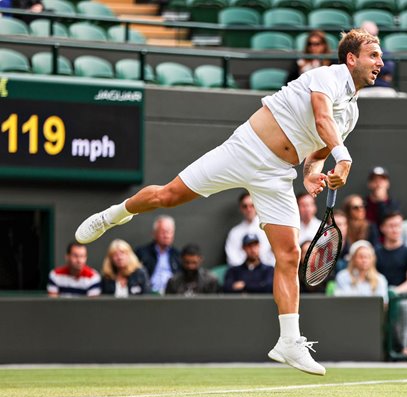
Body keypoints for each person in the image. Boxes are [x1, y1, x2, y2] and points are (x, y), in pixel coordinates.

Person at [75, 28, 384, 376]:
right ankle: (114, 215)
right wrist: (345, 159)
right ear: (351, 58)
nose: (381, 62)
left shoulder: (353, 113)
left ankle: (288, 340)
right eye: (374, 55)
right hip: (246, 148)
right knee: (168, 196)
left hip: (278, 173)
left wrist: (313, 171)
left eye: (381, 56)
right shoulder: (325, 76)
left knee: (289, 254)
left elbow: (319, 148)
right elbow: (321, 118)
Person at [375, 211, 407, 356]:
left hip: (401, 298)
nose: (395, 229)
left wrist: (394, 292)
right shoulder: (376, 252)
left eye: (398, 226)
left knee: (406, 305)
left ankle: (404, 347)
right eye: (391, 226)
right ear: (383, 228)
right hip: (379, 298)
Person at [224, 192, 275, 267]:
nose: (249, 209)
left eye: (252, 205)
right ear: (241, 208)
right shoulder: (234, 232)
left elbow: (273, 255)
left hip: (266, 273)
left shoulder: (268, 228)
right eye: (245, 206)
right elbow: (232, 258)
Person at [134, 215, 181, 295]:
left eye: (170, 232)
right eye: (163, 232)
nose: (166, 235)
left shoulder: (178, 255)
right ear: (154, 233)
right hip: (148, 295)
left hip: (172, 295)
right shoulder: (142, 252)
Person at [334, 240, 388, 305]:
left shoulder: (380, 279)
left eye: (367, 257)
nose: (364, 260)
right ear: (353, 259)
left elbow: (383, 304)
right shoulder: (342, 276)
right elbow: (339, 301)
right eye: (361, 257)